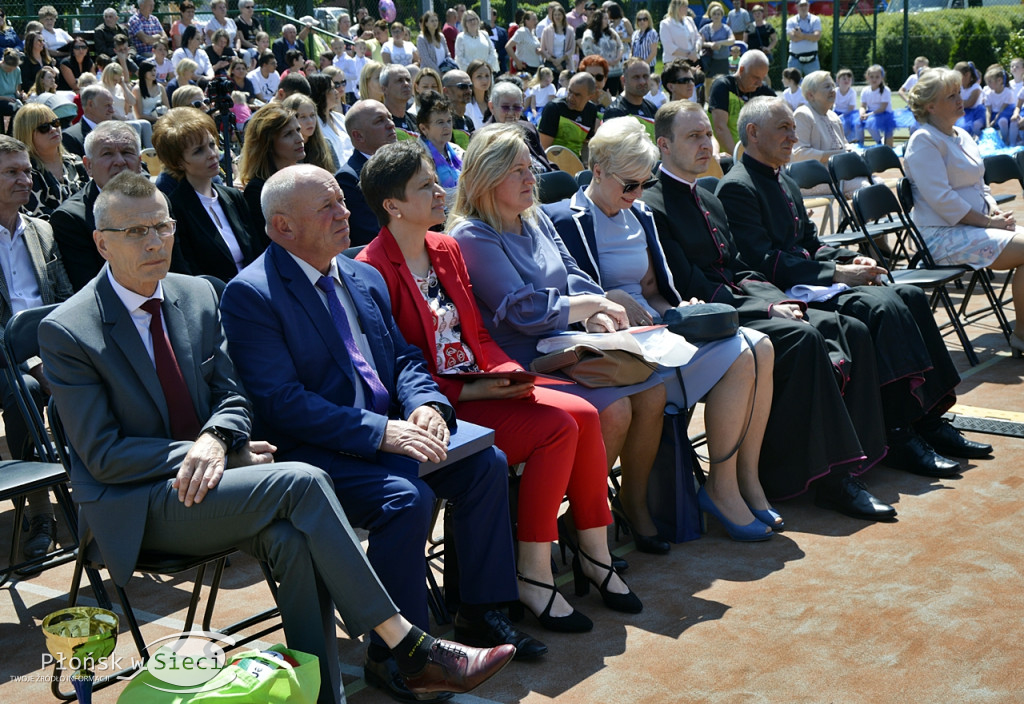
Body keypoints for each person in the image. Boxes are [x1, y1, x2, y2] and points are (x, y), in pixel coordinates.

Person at [39, 169, 516, 704]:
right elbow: (102, 456)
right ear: (101, 242)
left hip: (216, 480)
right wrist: (206, 449)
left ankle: (323, 690)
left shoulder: (195, 294)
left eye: (164, 225)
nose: (155, 241)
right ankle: (408, 646)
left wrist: (221, 439)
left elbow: (233, 397)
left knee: (294, 534)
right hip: (138, 501)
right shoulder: (68, 329)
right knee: (306, 483)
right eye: (135, 232)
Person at [218, 162, 538, 697]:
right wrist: (379, 431)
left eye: (341, 202)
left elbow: (406, 360)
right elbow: (281, 403)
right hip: (318, 452)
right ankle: (400, 657)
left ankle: (478, 614)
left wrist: (427, 405)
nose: (346, 212)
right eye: (327, 207)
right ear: (282, 227)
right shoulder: (252, 294)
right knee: (405, 500)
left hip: (389, 434)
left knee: (486, 466)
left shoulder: (360, 274)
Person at [357, 140, 641, 632]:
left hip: (482, 381)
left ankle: (594, 554)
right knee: (558, 428)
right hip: (441, 404)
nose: (442, 190)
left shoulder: (443, 248)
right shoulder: (370, 269)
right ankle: (534, 574)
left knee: (587, 414)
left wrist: (505, 375)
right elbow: (394, 369)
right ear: (393, 205)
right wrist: (472, 393)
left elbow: (477, 334)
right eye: (426, 186)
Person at [643, 94, 899, 518]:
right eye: (693, 136)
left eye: (708, 134)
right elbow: (689, 286)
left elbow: (738, 266)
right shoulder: (653, 204)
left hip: (746, 301)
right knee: (801, 336)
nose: (706, 144)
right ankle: (815, 476)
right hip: (704, 318)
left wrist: (777, 298)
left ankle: (860, 458)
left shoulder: (706, 199)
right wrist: (765, 310)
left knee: (849, 328)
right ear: (664, 146)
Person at [718, 96, 990, 477]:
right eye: (784, 128)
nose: (793, 136)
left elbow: (812, 242)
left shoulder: (785, 179)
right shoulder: (738, 188)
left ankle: (927, 419)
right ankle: (897, 432)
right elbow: (763, 262)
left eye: (793, 128)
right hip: (789, 293)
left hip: (814, 281)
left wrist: (848, 258)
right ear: (753, 132)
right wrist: (835, 275)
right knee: (881, 309)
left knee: (909, 295)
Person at [545, 117, 778, 538]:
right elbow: (569, 298)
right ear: (597, 171)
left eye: (643, 183)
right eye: (629, 185)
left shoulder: (642, 214)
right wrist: (614, 304)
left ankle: (730, 484)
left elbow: (655, 292)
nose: (637, 194)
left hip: (655, 336)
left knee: (754, 346)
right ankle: (634, 502)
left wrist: (675, 308)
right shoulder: (565, 219)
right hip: (611, 346)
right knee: (735, 353)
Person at [449, 124, 670, 553]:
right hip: (524, 360)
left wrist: (596, 308)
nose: (533, 178)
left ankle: (630, 502)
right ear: (487, 178)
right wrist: (591, 308)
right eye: (518, 171)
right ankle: (583, 523)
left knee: (653, 391)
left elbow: (574, 275)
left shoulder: (533, 218)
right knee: (618, 409)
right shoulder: (472, 235)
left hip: (566, 344)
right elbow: (524, 310)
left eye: (530, 167)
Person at [904, 67, 1024, 353]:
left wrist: (993, 212)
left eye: (960, 93)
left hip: (975, 226)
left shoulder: (961, 134)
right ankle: (1022, 334)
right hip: (943, 236)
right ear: (930, 105)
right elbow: (942, 199)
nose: (961, 99)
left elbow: (979, 185)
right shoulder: (923, 140)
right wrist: (987, 222)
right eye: (952, 95)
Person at [0, 135, 73, 562]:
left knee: (94, 375)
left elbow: (64, 298)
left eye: (26, 170)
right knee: (25, 390)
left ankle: (100, 497)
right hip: (7, 360)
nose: (24, 179)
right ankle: (40, 508)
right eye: (11, 172)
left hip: (49, 348)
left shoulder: (42, 229)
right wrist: (32, 360)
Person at [153, 107, 263, 283]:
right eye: (199, 151)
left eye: (212, 144)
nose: (212, 154)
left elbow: (258, 254)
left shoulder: (233, 197)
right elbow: (187, 275)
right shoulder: (175, 210)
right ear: (178, 162)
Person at [238, 104, 306, 238]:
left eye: (298, 130)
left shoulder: (305, 176)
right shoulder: (257, 191)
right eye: (288, 134)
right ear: (267, 144)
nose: (300, 139)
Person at [792, 70, 864, 196]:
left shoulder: (833, 115)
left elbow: (844, 145)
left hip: (837, 175)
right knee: (866, 187)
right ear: (810, 95)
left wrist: (853, 152)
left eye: (832, 85)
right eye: (827, 86)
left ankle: (849, 216)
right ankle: (852, 216)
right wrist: (835, 155)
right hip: (811, 180)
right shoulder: (802, 115)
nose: (833, 90)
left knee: (875, 182)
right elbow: (799, 154)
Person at [336, 99, 397, 246]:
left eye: (390, 117)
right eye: (379, 121)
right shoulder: (349, 179)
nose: (391, 124)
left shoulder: (408, 165)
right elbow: (372, 234)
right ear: (358, 136)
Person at [12, 103, 87, 219]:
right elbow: (42, 218)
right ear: (27, 134)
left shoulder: (76, 161)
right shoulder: (27, 173)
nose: (53, 129)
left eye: (55, 123)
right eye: (44, 127)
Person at [708, 48, 772, 157]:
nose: (759, 83)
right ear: (741, 70)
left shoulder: (762, 89)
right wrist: (738, 158)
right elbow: (720, 127)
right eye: (756, 77)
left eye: (762, 78)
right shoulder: (722, 86)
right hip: (725, 157)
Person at [415, 91, 463, 203]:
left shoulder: (459, 151)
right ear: (423, 128)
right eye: (440, 122)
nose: (447, 127)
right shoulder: (417, 157)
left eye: (449, 121)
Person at [538, 71, 598, 156]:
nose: (570, 97)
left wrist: (586, 165)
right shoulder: (553, 108)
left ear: (590, 97)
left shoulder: (591, 111)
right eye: (569, 91)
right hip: (552, 165)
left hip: (576, 164)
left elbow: (586, 144)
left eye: (577, 95)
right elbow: (543, 149)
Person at [308, 73, 352, 170]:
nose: (336, 92)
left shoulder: (340, 118)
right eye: (332, 88)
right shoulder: (314, 125)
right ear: (321, 93)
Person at [282, 92, 335, 172]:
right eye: (303, 117)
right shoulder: (284, 149)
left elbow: (335, 175)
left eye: (312, 115)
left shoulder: (327, 144)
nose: (310, 121)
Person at [62, 85, 115, 158]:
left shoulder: (115, 132)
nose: (112, 110)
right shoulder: (71, 137)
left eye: (112, 105)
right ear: (90, 104)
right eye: (107, 105)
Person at [582, 10, 623, 95]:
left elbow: (620, 46)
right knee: (599, 95)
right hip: (599, 74)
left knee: (612, 95)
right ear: (598, 19)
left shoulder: (612, 32)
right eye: (605, 18)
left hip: (615, 71)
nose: (607, 21)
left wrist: (617, 58)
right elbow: (587, 51)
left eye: (608, 18)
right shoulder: (589, 33)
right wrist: (605, 62)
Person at [859, 64, 894, 148]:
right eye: (871, 77)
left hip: (885, 114)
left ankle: (881, 142)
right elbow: (863, 106)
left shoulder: (886, 90)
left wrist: (868, 115)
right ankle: (860, 144)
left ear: (882, 78)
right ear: (867, 77)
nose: (874, 79)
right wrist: (862, 113)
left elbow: (882, 108)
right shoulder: (865, 90)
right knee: (857, 122)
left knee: (870, 122)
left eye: (877, 77)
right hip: (871, 113)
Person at [698, 3, 734, 79]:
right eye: (714, 14)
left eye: (718, 14)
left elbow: (732, 40)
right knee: (708, 81)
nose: (716, 16)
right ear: (711, 16)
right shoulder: (706, 28)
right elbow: (700, 42)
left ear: (722, 16)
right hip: (710, 60)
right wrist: (710, 45)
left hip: (723, 60)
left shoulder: (726, 28)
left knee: (724, 81)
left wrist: (720, 43)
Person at [660, 0, 701, 65]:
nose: (687, 8)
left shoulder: (689, 20)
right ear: (677, 8)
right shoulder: (665, 23)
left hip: (693, 59)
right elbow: (668, 46)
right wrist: (688, 54)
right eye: (684, 6)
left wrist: (695, 51)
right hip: (675, 62)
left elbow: (698, 37)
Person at [786, 0, 821, 74]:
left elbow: (817, 37)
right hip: (795, 60)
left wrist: (801, 35)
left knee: (814, 84)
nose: (804, 8)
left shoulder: (815, 19)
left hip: (812, 60)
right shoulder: (791, 21)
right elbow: (793, 38)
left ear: (808, 6)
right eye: (801, 5)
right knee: (792, 83)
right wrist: (810, 36)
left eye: (805, 5)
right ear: (797, 7)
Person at [380, 64, 415, 133]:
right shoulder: (379, 123)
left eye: (408, 80)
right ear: (384, 89)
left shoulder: (415, 121)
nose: (406, 84)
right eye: (399, 80)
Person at [443, 69, 476, 137]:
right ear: (446, 91)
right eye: (463, 86)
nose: (469, 90)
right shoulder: (444, 122)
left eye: (470, 86)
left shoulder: (468, 121)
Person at [466, 59, 493, 129]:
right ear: (470, 78)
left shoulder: (494, 103)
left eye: (487, 76)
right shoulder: (467, 106)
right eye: (479, 76)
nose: (484, 80)